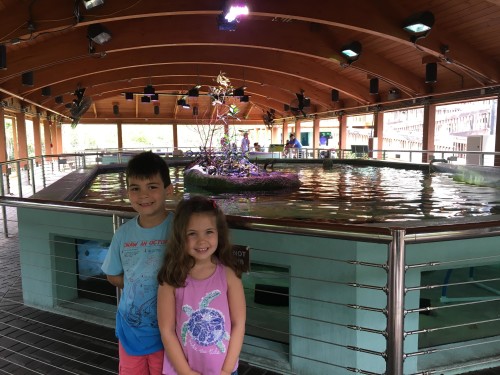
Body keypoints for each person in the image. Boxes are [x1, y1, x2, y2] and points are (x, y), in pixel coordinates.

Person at [102, 151, 174, 375]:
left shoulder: (180, 229)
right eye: (136, 188)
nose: (144, 195)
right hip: (131, 330)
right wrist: (138, 284)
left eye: (152, 186)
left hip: (170, 331)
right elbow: (112, 275)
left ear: (168, 190)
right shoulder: (123, 234)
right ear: (128, 193)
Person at [157, 196, 246, 375]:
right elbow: (167, 330)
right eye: (192, 233)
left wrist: (227, 370)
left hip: (223, 369)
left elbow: (239, 323)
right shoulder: (171, 277)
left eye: (209, 232)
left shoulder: (229, 274)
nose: (201, 241)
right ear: (180, 236)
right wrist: (186, 372)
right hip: (182, 370)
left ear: (219, 233)